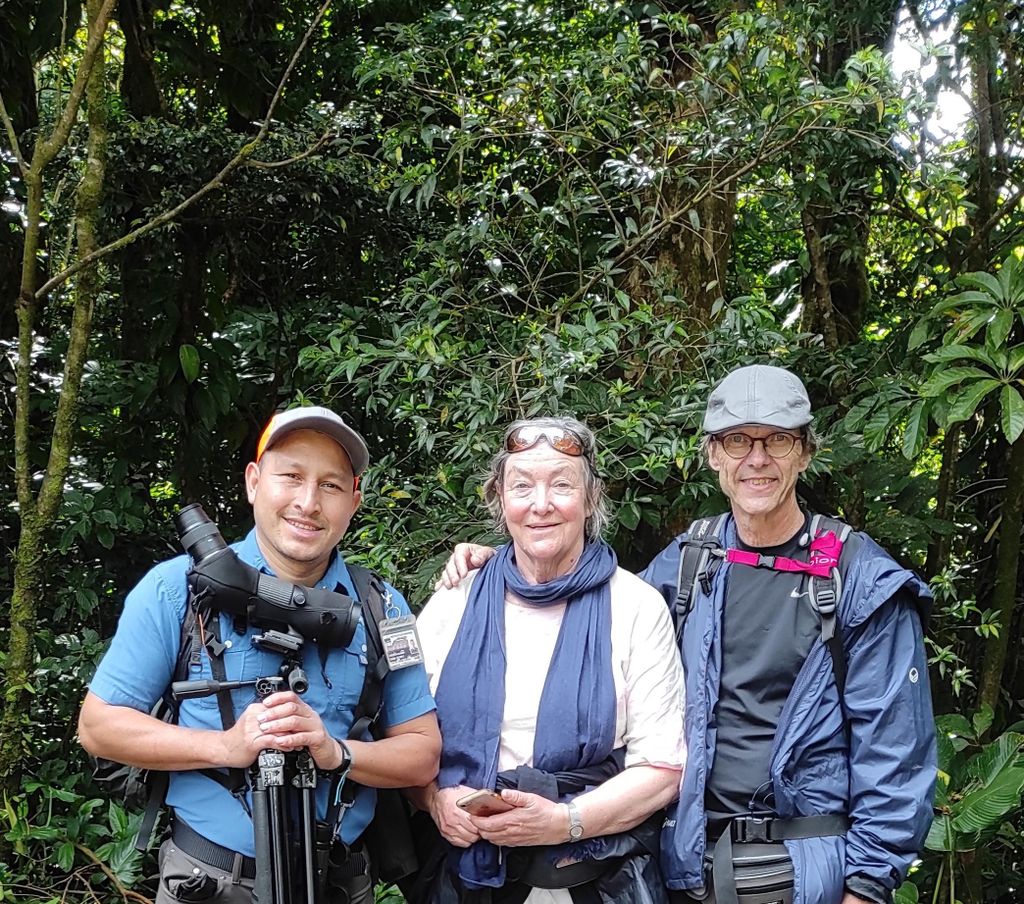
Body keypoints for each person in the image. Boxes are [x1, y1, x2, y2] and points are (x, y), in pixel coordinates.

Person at [437, 369, 936, 904]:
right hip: (684, 861)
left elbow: (895, 755)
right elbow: (594, 612)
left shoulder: (859, 580)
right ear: (713, 455)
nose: (757, 459)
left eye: (778, 440)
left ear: (806, 453)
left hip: (804, 866)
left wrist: (865, 886)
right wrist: (501, 566)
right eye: (738, 440)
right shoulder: (690, 562)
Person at [79, 406, 441, 904]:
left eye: (331, 485)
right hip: (208, 881)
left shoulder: (382, 607)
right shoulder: (174, 592)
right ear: (254, 482)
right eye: (290, 476)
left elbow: (422, 755)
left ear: (354, 500)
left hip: (340, 882)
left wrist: (336, 753)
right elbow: (99, 727)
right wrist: (227, 746)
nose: (308, 502)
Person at [413, 417, 686, 904]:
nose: (541, 504)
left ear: (592, 498)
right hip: (464, 876)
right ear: (499, 498)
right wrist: (433, 800)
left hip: (591, 877)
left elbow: (663, 768)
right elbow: (406, 736)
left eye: (561, 484)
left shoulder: (636, 607)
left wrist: (563, 822)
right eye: (522, 486)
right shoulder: (454, 603)